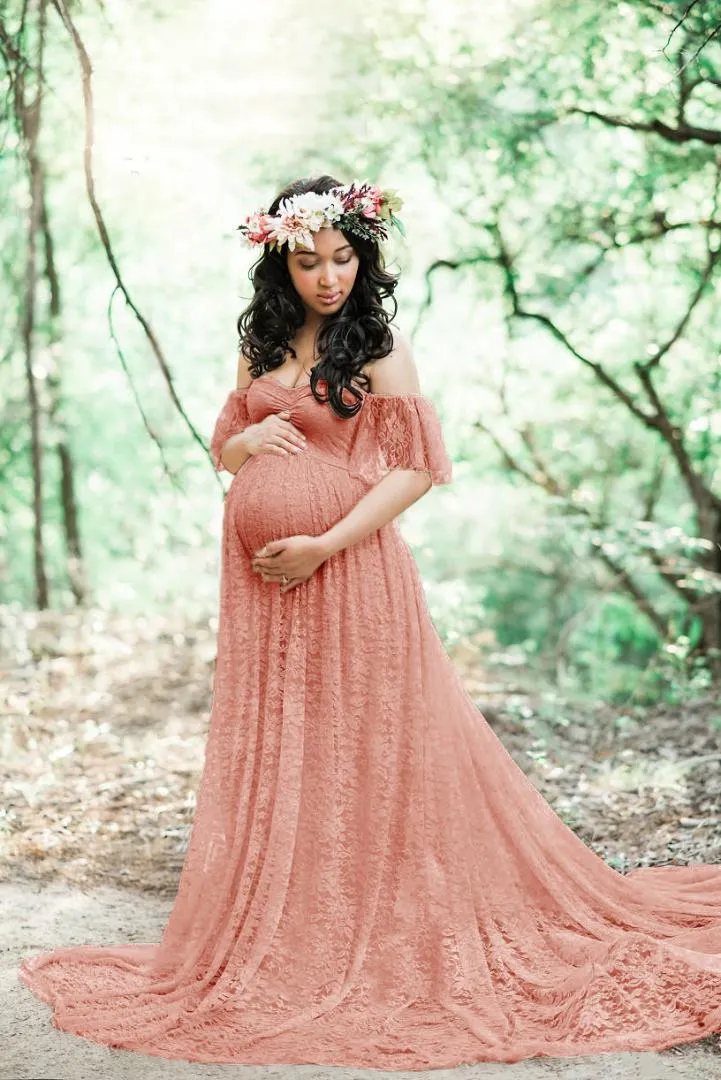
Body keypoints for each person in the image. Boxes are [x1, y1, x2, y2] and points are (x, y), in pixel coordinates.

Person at [17, 175, 721, 1070]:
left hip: (351, 575)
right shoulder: (262, 341)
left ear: (364, 254)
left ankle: (380, 920)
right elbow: (224, 448)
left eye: (343, 258)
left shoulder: (375, 342)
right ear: (280, 261)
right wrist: (245, 449)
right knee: (293, 745)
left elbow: (415, 469)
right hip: (264, 594)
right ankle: (299, 913)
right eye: (308, 261)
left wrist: (321, 542)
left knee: (365, 744)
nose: (328, 278)